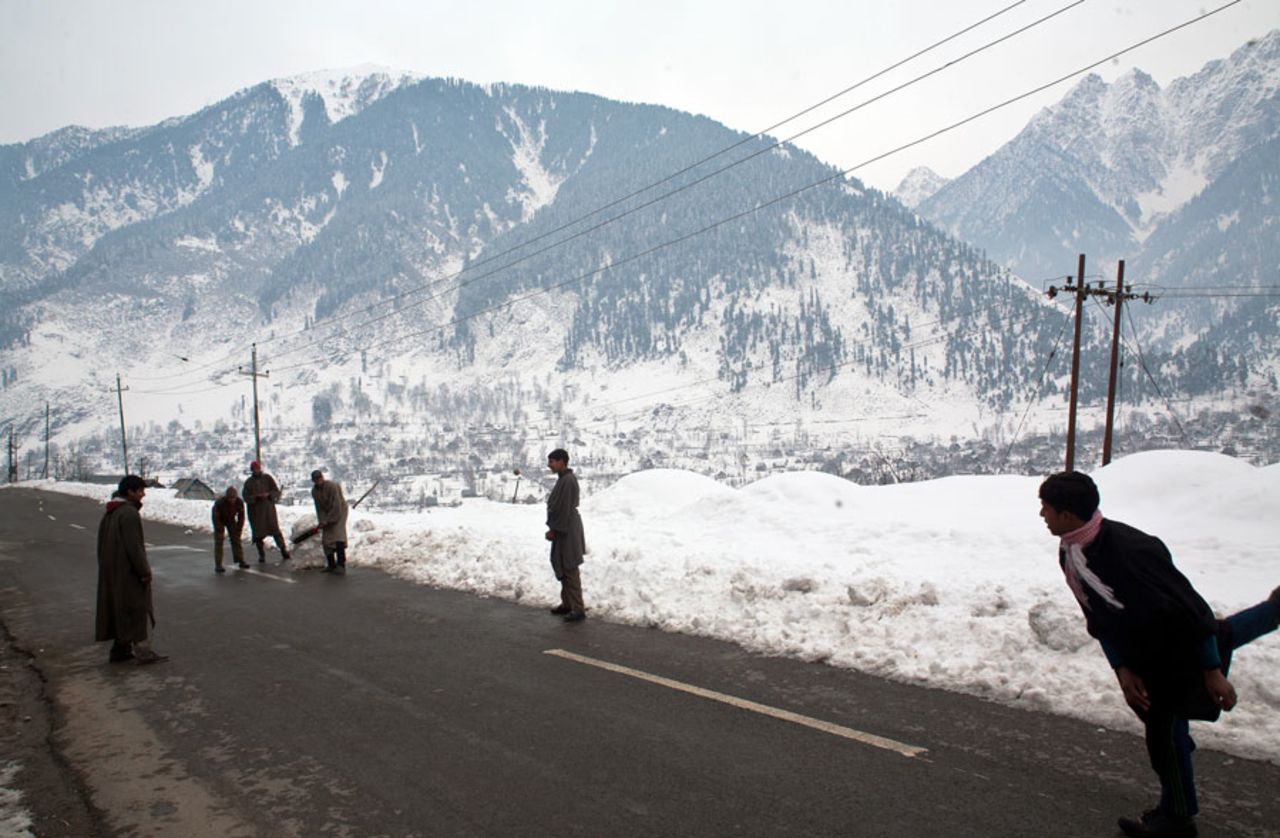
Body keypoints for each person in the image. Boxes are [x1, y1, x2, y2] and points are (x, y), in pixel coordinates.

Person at [1038, 471, 1279, 838]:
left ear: (1067, 515)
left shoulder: (1131, 552)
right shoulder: (1073, 550)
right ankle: (1276, 609)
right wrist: (1121, 667)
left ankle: (1178, 818)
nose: (1041, 514)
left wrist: (1212, 671)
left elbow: (1192, 613)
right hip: (1147, 650)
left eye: (1047, 508)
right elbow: (1100, 618)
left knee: (1164, 733)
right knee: (1223, 637)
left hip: (1175, 648)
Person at [95, 475, 167, 665]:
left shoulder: (111, 512)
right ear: (130, 492)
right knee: (137, 609)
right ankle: (143, 651)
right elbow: (134, 547)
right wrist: (144, 571)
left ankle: (120, 649)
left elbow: (101, 545)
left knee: (120, 609)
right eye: (140, 491)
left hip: (113, 571)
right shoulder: (128, 514)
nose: (143, 495)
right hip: (128, 572)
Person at [545, 448, 587, 622]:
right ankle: (567, 603)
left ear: (562, 461)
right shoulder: (563, 479)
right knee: (560, 563)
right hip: (563, 529)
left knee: (569, 566)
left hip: (567, 529)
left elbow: (564, 509)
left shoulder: (568, 481)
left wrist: (554, 529)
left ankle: (578, 607)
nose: (550, 465)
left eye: (552, 461)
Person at [243, 460, 291, 563]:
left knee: (275, 531)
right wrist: (256, 497)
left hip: (268, 510)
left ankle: (283, 550)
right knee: (258, 535)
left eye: (257, 468)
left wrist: (269, 495)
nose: (256, 470)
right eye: (254, 469)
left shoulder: (267, 478)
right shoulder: (249, 483)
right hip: (255, 512)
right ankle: (261, 555)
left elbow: (276, 491)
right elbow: (246, 497)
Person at [310, 469, 349, 574]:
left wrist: (329, 520)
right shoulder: (314, 492)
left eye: (319, 478)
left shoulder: (332, 487)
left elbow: (336, 505)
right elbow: (319, 508)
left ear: (322, 478)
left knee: (338, 536)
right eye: (316, 479)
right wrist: (322, 521)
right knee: (326, 539)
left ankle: (341, 565)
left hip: (340, 511)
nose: (318, 481)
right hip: (327, 513)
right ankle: (331, 564)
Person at [212, 486, 248, 573]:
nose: (232, 500)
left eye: (234, 498)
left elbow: (241, 516)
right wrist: (219, 528)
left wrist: (239, 529)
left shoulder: (239, 502)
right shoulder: (219, 503)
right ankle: (218, 564)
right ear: (227, 497)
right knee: (219, 541)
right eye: (230, 498)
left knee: (236, 540)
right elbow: (215, 517)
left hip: (231, 519)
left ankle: (240, 560)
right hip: (220, 519)